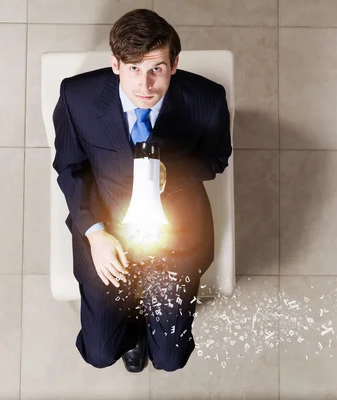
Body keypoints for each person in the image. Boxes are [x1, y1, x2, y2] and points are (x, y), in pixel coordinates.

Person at [52, 8, 232, 373]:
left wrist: (173, 173)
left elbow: (217, 158)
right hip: (106, 228)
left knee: (169, 358)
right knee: (100, 354)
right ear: (115, 64)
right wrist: (95, 233)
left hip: (176, 234)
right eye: (133, 68)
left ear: (174, 64)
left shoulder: (207, 99)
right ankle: (131, 328)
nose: (145, 86)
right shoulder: (77, 97)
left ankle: (154, 327)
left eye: (156, 69)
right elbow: (69, 168)